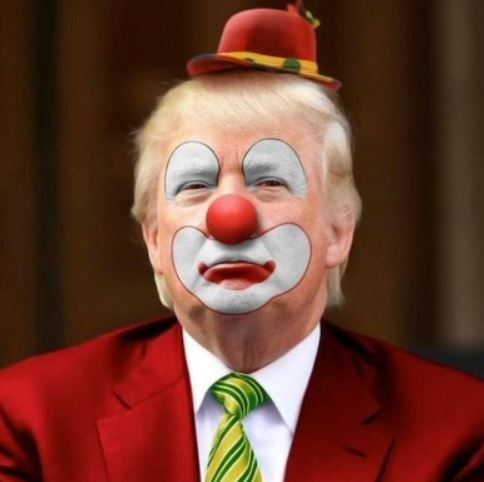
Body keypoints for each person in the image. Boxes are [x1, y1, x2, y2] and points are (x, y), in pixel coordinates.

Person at [0, 2, 483, 482]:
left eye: (270, 181)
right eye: (195, 185)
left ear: (338, 232)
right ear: (154, 240)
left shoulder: (460, 429)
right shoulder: (29, 420)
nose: (230, 218)